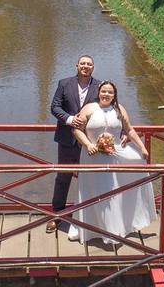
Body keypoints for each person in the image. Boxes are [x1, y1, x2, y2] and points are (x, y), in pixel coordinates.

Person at [66, 80, 157, 245]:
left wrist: (142, 147)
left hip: (114, 154)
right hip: (92, 156)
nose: (106, 95)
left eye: (110, 92)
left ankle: (114, 229)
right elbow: (76, 130)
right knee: (94, 192)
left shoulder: (119, 109)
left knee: (113, 192)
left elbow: (129, 129)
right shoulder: (88, 108)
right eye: (103, 91)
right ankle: (90, 229)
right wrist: (88, 144)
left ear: (114, 95)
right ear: (98, 92)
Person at [48, 55, 101, 233]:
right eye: (83, 64)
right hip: (67, 139)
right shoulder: (64, 84)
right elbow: (55, 107)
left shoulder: (100, 86)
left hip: (90, 141)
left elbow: (110, 108)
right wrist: (70, 119)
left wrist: (123, 131)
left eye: (89, 64)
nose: (85, 66)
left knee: (92, 178)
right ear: (76, 65)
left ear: (93, 67)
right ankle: (57, 215)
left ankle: (92, 216)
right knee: (63, 177)